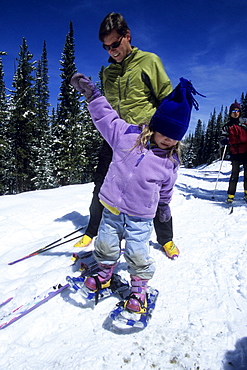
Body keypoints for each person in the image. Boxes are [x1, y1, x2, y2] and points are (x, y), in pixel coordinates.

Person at [70, 73, 203, 313]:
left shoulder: (169, 162)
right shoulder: (127, 136)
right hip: (111, 209)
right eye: (166, 133)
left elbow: (166, 189)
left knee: (136, 252)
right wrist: (93, 95)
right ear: (155, 126)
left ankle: (139, 288)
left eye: (176, 137)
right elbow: (107, 119)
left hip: (140, 217)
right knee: (106, 245)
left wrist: (163, 208)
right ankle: (105, 274)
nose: (169, 140)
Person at [75, 12, 179, 259]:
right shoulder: (109, 73)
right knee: (101, 182)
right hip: (116, 138)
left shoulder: (149, 61)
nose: (111, 51)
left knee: (152, 191)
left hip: (145, 140)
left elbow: (166, 98)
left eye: (114, 44)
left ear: (127, 36)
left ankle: (166, 238)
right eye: (105, 47)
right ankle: (93, 229)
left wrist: (170, 135)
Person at [220, 102, 247, 203]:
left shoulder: (245, 122)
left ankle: (246, 193)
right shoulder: (227, 126)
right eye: (233, 111)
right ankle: (231, 195)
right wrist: (224, 140)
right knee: (234, 175)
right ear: (230, 113)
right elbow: (221, 137)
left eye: (237, 111)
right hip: (235, 152)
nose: (235, 113)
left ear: (240, 112)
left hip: (246, 151)